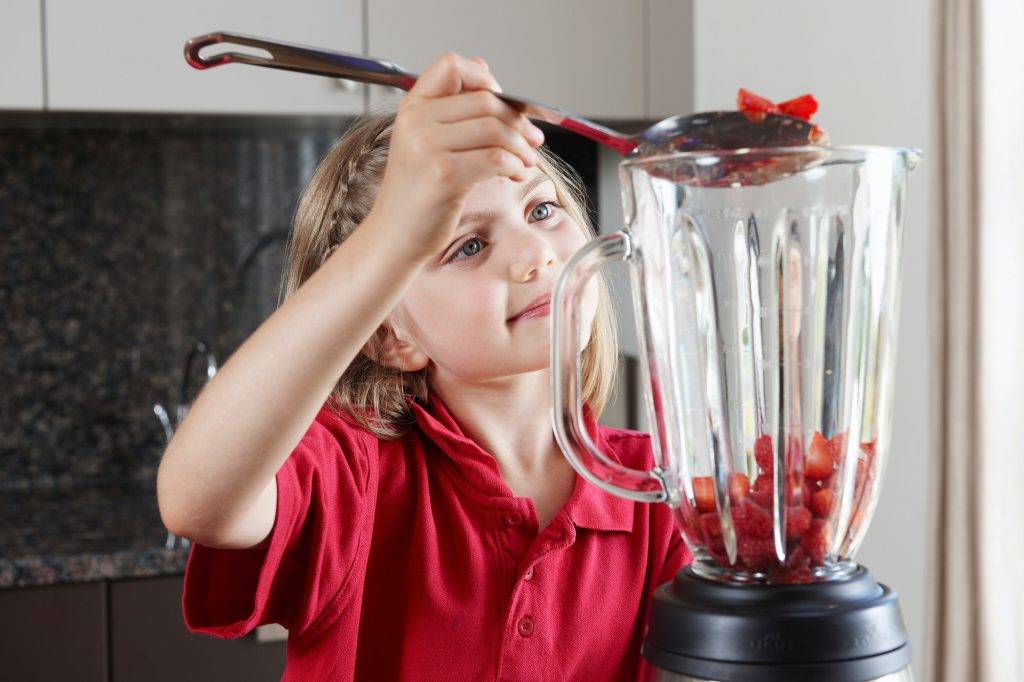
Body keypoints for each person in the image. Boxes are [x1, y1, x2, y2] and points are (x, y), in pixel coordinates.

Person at [157, 51, 690, 681]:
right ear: (389, 335)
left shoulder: (660, 491)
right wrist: (398, 232)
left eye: (542, 211)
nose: (534, 257)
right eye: (468, 245)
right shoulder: (354, 481)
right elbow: (199, 502)